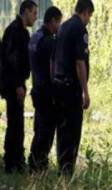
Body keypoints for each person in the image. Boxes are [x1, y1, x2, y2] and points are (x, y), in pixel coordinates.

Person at [53, 0, 94, 175]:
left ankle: (62, 165)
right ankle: (68, 169)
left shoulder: (63, 27)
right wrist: (85, 92)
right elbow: (79, 62)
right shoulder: (79, 29)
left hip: (58, 83)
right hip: (71, 87)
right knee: (73, 128)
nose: (89, 20)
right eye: (89, 16)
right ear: (85, 12)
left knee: (62, 128)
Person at [1, 0, 38, 173]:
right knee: (15, 123)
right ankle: (12, 161)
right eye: (34, 13)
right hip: (13, 84)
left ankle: (16, 159)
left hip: (15, 83)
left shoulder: (19, 31)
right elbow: (12, 61)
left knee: (17, 123)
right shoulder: (16, 32)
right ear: (25, 12)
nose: (35, 17)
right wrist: (18, 85)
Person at [28, 6, 62, 172]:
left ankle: (34, 160)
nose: (60, 26)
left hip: (36, 88)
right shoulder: (50, 41)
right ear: (53, 21)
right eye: (59, 22)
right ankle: (39, 163)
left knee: (39, 127)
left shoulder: (35, 36)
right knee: (47, 130)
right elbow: (52, 68)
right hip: (47, 91)